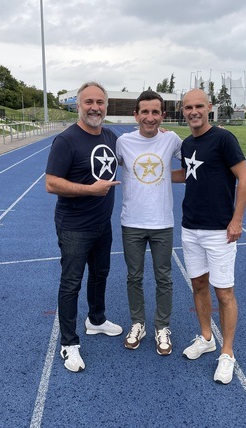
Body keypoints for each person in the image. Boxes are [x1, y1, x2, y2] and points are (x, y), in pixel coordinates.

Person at [45, 81, 123, 373]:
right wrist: (91, 190)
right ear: (78, 105)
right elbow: (51, 183)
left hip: (103, 224)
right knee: (71, 283)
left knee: (100, 274)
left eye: (100, 102)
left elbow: (131, 158)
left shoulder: (112, 137)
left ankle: (97, 320)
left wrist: (158, 135)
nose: (95, 107)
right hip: (75, 227)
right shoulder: (66, 140)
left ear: (106, 106)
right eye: (88, 102)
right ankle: (68, 343)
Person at [178, 89, 246, 384]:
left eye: (198, 106)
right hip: (190, 227)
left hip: (219, 230)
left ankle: (227, 353)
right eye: (188, 107)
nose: (193, 111)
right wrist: (145, 172)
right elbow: (187, 174)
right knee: (198, 285)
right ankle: (206, 338)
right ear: (183, 111)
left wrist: (236, 220)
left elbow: (244, 179)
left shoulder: (224, 139)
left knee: (224, 292)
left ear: (209, 108)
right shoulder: (186, 144)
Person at [115, 90, 183, 355]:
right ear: (136, 114)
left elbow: (193, 163)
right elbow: (107, 167)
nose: (150, 117)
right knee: (134, 277)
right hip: (131, 222)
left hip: (162, 222)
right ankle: (138, 323)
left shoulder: (172, 140)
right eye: (145, 111)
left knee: (163, 277)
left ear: (162, 115)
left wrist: (166, 176)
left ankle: (162, 326)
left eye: (155, 112)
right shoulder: (123, 142)